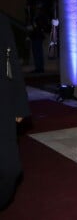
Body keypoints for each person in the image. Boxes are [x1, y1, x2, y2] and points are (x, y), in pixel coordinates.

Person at [0, 15, 30, 210]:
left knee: (11, 169)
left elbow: (12, 63)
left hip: (3, 103)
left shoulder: (1, 20)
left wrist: (20, 103)